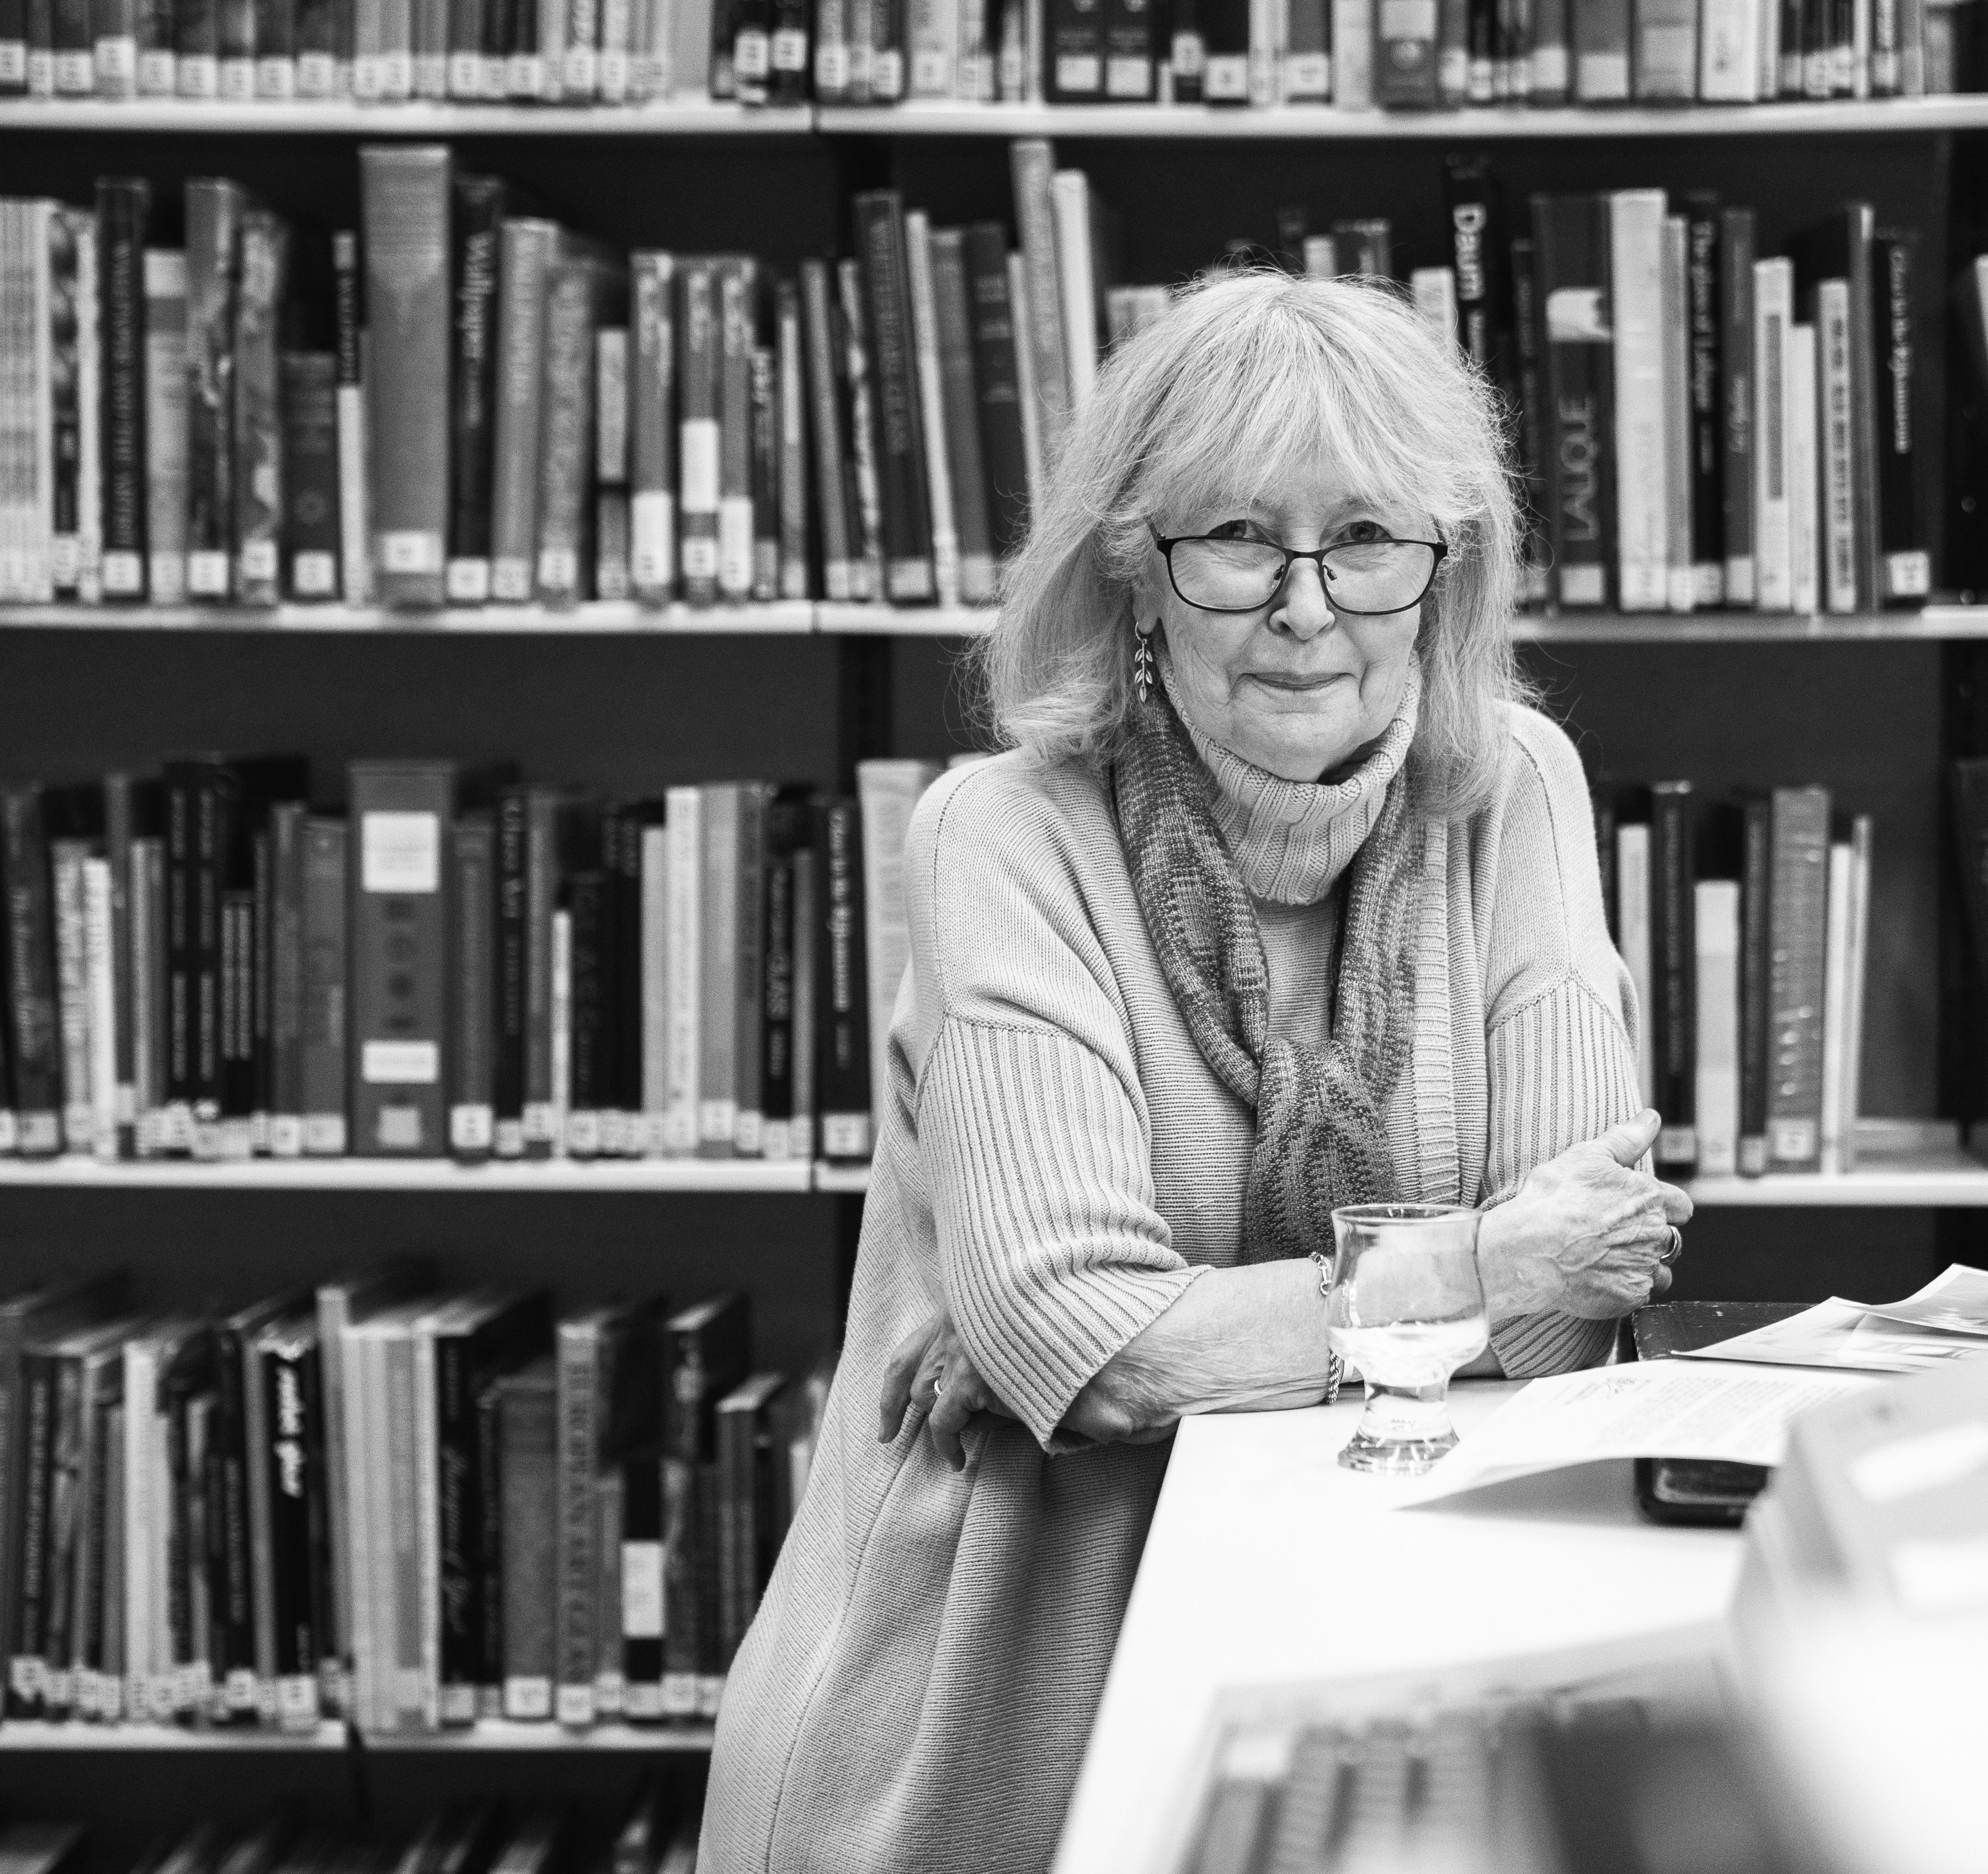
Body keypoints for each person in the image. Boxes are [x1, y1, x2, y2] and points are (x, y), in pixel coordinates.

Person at [698, 269, 1694, 1874]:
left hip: (1371, 1672)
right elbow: (1091, 1346)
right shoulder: (1005, 834)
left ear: (1446, 573)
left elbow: (1564, 1315)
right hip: (993, 1716)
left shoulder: (1516, 789)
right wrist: (1468, 1255)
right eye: (1237, 536)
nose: (1308, 604)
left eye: (1368, 538)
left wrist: (1166, 1325)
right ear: (1133, 572)